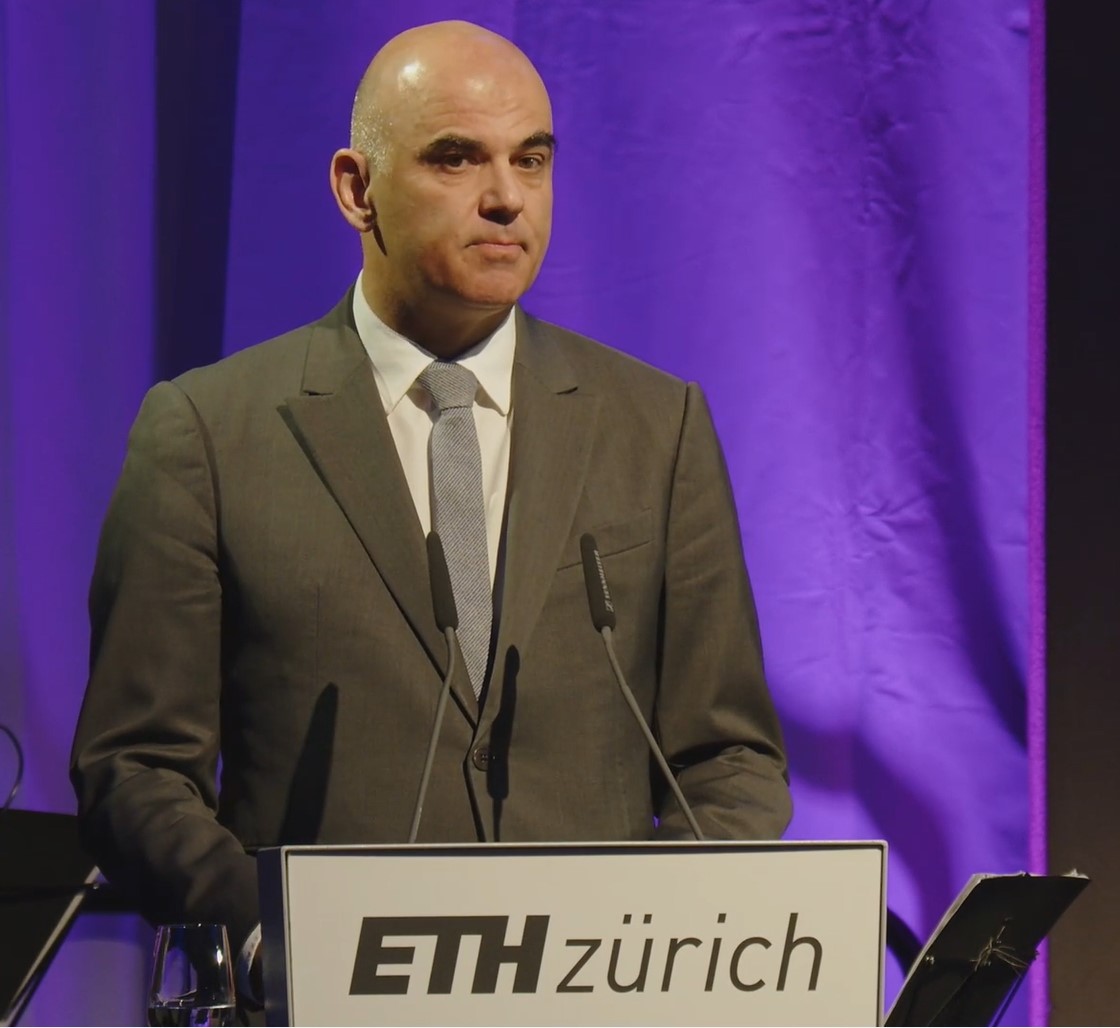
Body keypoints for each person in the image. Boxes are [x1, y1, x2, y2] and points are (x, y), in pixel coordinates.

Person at [70, 18, 791, 1006]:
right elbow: (136, 768)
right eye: (457, 157)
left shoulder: (656, 426)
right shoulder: (206, 432)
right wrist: (281, 938)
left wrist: (672, 950)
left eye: (530, 159)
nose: (505, 196)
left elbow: (728, 754)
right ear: (355, 188)